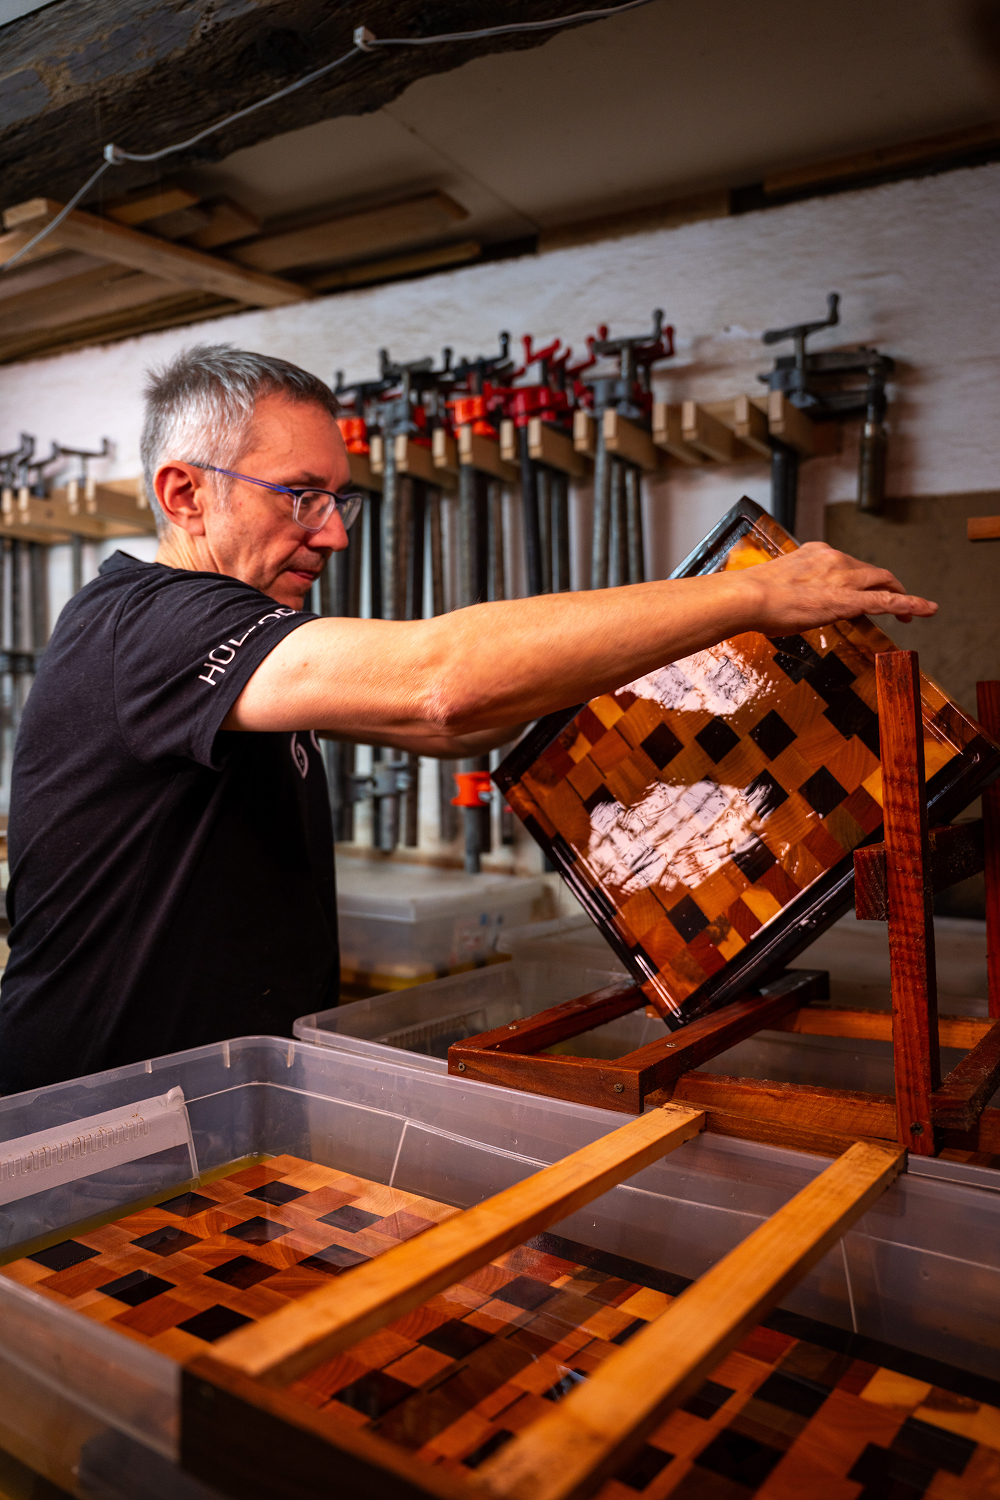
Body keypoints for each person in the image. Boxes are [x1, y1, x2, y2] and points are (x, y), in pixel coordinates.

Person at [0, 345, 936, 1095]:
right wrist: (757, 595)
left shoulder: (235, 642)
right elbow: (439, 682)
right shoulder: (149, 626)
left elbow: (453, 729)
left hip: (208, 1097)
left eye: (339, 497)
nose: (334, 533)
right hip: (90, 1111)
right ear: (183, 494)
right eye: (301, 496)